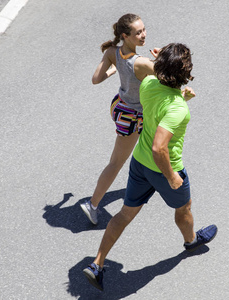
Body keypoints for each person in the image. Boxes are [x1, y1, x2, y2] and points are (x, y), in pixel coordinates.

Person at [82, 43, 218, 291]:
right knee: (184, 207)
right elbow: (159, 147)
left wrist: (180, 92)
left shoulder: (148, 85)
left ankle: (97, 265)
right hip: (163, 168)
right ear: (185, 74)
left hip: (139, 163)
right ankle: (191, 241)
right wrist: (172, 177)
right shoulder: (178, 109)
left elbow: (158, 106)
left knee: (124, 215)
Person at [80, 13, 157, 225]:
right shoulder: (141, 62)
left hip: (120, 107)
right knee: (116, 163)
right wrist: (158, 59)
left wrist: (115, 68)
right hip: (134, 115)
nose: (143, 35)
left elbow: (96, 79)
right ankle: (92, 204)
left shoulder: (113, 52)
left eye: (143, 29)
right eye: (138, 32)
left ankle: (152, 180)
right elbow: (169, 76)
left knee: (151, 146)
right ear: (125, 35)